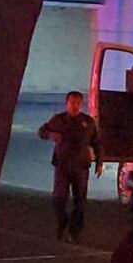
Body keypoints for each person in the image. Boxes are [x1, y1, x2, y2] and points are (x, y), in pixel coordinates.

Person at [38, 91, 102, 242]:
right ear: (66, 104)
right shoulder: (59, 120)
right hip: (62, 165)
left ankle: (74, 232)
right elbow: (42, 131)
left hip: (81, 167)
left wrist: (99, 163)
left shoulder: (88, 122)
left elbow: (97, 143)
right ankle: (62, 222)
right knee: (58, 198)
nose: (75, 106)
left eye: (78, 103)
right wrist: (50, 135)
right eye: (72, 103)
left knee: (80, 202)